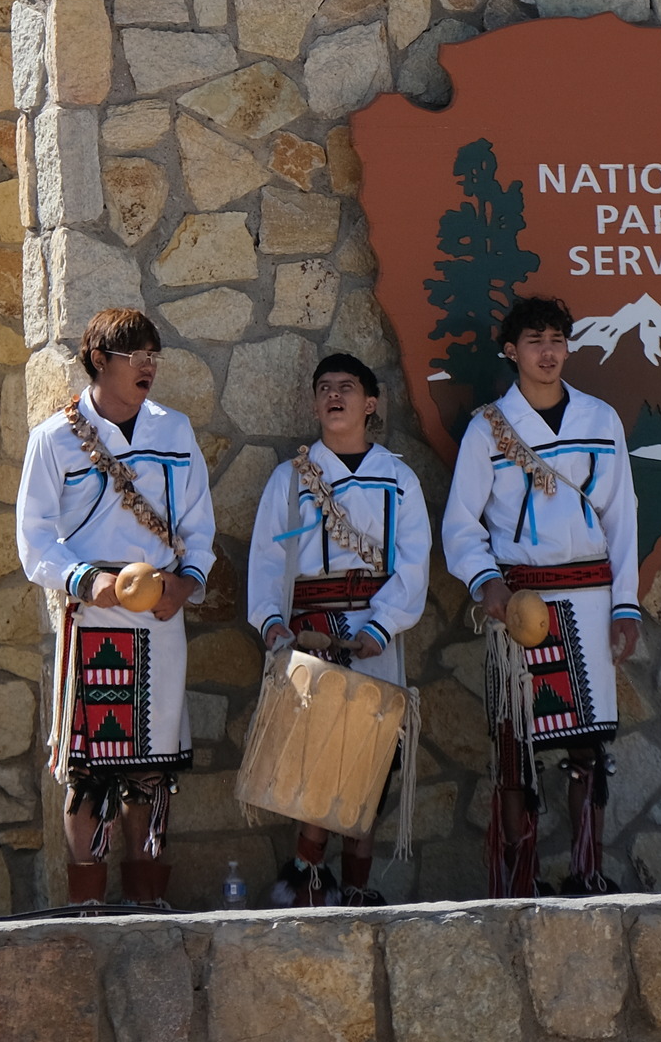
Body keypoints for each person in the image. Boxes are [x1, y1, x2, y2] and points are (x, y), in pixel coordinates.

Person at [441, 294, 644, 897]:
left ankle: (587, 873)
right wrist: (490, 585)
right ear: (512, 351)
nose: (547, 351)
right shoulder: (488, 430)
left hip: (590, 596)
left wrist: (625, 605)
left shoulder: (600, 421)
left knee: (588, 746)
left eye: (557, 339)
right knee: (517, 749)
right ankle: (517, 882)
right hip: (522, 608)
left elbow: (622, 519)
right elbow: (460, 525)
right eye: (534, 340)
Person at [15, 307, 215, 907]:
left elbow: (199, 523)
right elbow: (34, 539)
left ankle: (150, 903)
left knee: (151, 767)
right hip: (95, 616)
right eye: (136, 355)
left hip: (160, 620)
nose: (149, 365)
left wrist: (187, 583)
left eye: (154, 355)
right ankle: (89, 909)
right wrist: (83, 581)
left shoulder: (174, 432)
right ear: (100, 362)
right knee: (93, 770)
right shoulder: (54, 439)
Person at [245, 351, 431, 906]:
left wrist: (384, 624)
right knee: (314, 758)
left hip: (375, 636)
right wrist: (273, 626)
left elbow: (414, 560)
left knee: (368, 758)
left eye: (347, 387)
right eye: (324, 388)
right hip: (310, 637)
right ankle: (306, 879)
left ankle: (356, 886)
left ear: (370, 403)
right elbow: (266, 559)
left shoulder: (398, 479)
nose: (334, 396)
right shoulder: (291, 479)